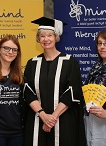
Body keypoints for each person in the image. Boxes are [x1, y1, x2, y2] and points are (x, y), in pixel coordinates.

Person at [23, 16, 86, 146]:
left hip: (63, 121)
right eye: (42, 36)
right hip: (37, 120)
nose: (46, 39)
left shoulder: (70, 62)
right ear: (38, 39)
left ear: (56, 37)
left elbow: (72, 92)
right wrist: (43, 115)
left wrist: (52, 118)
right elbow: (28, 92)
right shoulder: (32, 63)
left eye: (50, 35)